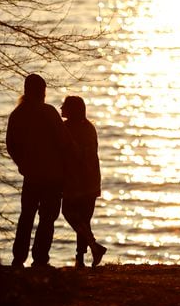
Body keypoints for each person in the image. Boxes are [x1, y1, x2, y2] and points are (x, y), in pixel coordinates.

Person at [6, 74, 67, 268]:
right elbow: (64, 141)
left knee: (27, 216)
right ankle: (40, 259)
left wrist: (22, 164)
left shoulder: (17, 114)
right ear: (42, 91)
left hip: (31, 175)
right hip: (52, 175)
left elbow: (11, 145)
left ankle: (18, 258)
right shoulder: (48, 112)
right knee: (47, 218)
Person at [60, 95, 107, 268]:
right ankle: (82, 256)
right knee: (83, 220)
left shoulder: (67, 129)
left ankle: (88, 251)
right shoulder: (89, 128)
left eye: (64, 106)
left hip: (77, 182)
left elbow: (72, 154)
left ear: (72, 110)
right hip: (91, 181)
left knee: (71, 214)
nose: (61, 109)